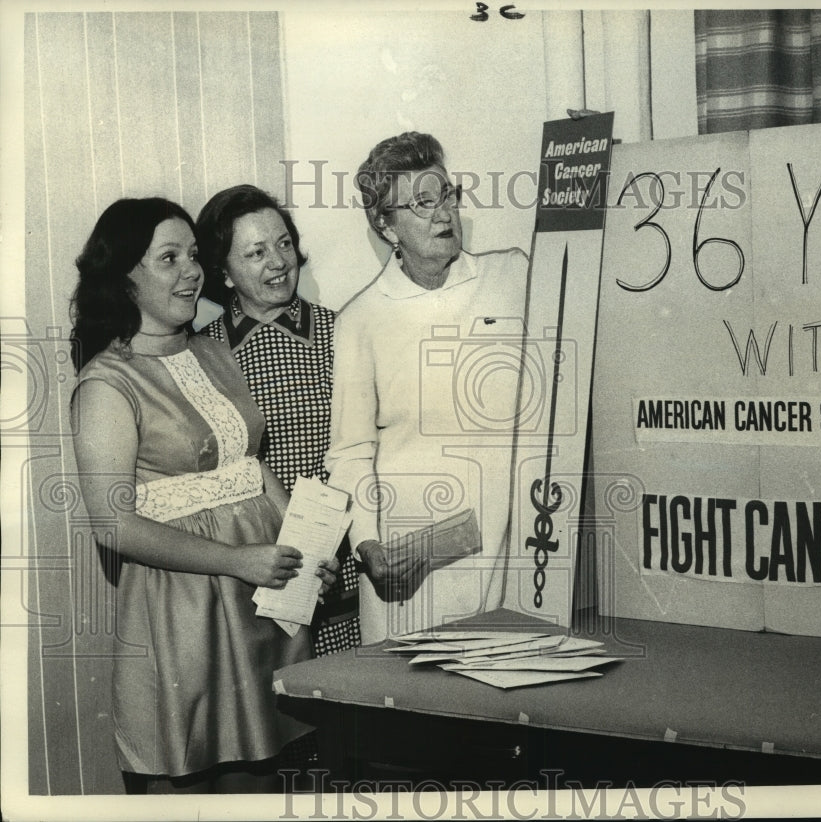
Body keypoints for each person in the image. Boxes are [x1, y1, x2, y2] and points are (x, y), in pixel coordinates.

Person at [70, 197, 336, 793]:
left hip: (266, 604)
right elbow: (114, 527)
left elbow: (249, 464)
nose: (191, 270)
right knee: (201, 779)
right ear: (124, 280)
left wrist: (307, 545)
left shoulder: (215, 352)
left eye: (193, 255)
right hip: (184, 610)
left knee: (275, 775)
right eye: (169, 258)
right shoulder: (107, 383)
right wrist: (238, 562)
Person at [325, 132, 529, 643]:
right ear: (384, 224)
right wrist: (368, 545)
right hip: (409, 563)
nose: (443, 213)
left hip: (511, 550)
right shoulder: (360, 320)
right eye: (420, 203)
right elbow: (350, 452)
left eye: (445, 195)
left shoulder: (513, 277)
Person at [197, 185, 359, 656]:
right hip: (256, 569)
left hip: (341, 565)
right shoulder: (203, 352)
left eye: (284, 243)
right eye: (256, 252)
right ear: (224, 273)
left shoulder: (341, 331)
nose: (278, 262)